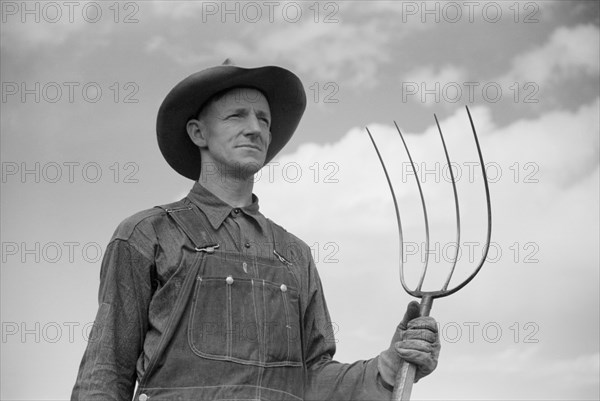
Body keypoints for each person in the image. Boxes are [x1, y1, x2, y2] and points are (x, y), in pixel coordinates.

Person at [71, 60, 441, 400]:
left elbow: (311, 377)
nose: (255, 128)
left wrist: (387, 367)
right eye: (237, 116)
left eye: (263, 119)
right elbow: (106, 372)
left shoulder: (294, 253)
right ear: (198, 132)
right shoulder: (145, 235)